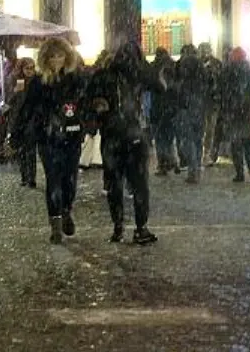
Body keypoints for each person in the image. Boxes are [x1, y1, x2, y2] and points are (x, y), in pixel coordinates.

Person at [86, 41, 163, 244]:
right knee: (139, 184)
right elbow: (160, 86)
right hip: (134, 136)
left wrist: (99, 112)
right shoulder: (138, 74)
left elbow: (90, 100)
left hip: (112, 136)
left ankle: (118, 227)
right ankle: (140, 228)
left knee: (115, 184)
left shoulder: (103, 75)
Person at [18, 37, 87, 244]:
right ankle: (55, 224)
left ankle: (66, 210)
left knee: (70, 180)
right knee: (53, 181)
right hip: (48, 138)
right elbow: (27, 108)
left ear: (67, 57)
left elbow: (84, 104)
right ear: (45, 59)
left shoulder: (74, 79)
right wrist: (19, 132)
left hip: (71, 137)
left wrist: (84, 123)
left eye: (60, 55)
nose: (57, 60)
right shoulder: (38, 83)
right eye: (52, 56)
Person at [222, 47, 250, 183]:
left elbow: (222, 92)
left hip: (233, 113)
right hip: (248, 112)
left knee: (236, 144)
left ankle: (240, 172)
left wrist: (226, 107)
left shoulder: (228, 72)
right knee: (247, 142)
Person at [174, 45, 208, 184]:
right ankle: (197, 168)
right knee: (198, 139)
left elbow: (178, 86)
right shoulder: (201, 68)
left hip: (187, 107)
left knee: (188, 140)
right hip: (199, 106)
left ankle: (192, 169)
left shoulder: (183, 65)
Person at [6, 57, 38, 188]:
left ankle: (31, 178)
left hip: (32, 118)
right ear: (22, 68)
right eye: (27, 68)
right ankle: (24, 176)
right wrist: (16, 92)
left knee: (30, 149)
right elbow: (10, 100)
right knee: (21, 149)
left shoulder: (37, 81)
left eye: (32, 68)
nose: (30, 71)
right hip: (18, 119)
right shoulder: (15, 80)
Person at [149, 47, 179, 175]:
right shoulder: (174, 66)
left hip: (157, 107)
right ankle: (173, 160)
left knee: (160, 138)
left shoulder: (154, 68)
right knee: (169, 137)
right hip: (172, 108)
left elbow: (150, 85)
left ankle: (163, 164)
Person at [198, 42, 224, 166]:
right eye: (202, 50)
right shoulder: (196, 64)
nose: (204, 53)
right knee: (203, 128)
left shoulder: (216, 64)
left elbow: (220, 80)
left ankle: (207, 153)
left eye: (206, 50)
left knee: (210, 128)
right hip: (201, 101)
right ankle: (202, 153)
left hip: (211, 101)